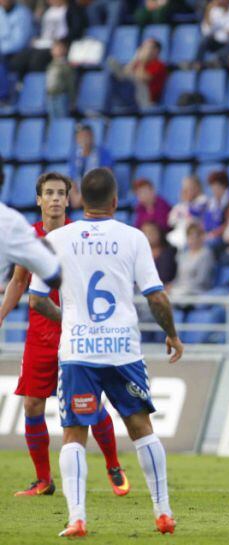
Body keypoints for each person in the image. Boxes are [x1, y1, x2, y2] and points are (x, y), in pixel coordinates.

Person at [27, 167, 183, 537]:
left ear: (79, 200)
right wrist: (173, 335)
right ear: (115, 201)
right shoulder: (132, 237)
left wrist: (68, 319)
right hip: (122, 350)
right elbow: (156, 296)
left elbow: (36, 299)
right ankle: (163, 512)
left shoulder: (56, 238)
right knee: (142, 429)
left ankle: (77, 517)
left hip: (78, 350)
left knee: (73, 434)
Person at [0, 172, 128, 498]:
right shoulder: (28, 237)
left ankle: (113, 464)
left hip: (76, 333)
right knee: (32, 405)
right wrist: (1, 315)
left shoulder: (79, 235)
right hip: (39, 335)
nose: (56, 198)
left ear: (69, 199)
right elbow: (18, 281)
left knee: (87, 405)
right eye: (49, 193)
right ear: (39, 200)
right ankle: (43, 480)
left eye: (61, 193)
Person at [108, 37, 168, 110]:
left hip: (146, 100)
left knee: (133, 83)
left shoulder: (159, 65)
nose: (143, 50)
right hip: (132, 96)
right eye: (143, 47)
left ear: (156, 51)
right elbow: (126, 74)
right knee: (115, 72)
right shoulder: (137, 63)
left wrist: (142, 62)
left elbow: (142, 79)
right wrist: (134, 59)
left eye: (147, 47)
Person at [171, 221, 216, 297]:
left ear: (201, 237)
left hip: (198, 290)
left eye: (195, 237)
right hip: (180, 290)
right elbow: (178, 278)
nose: (193, 241)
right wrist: (172, 285)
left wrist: (180, 288)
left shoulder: (206, 254)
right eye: (190, 238)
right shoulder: (183, 255)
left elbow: (202, 280)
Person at [195, 0, 229, 66]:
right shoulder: (214, 9)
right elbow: (206, 31)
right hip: (217, 40)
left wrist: (220, 30)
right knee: (204, 41)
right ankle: (197, 64)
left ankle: (217, 63)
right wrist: (208, 11)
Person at [45, 38, 74, 118]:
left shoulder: (66, 65)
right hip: (50, 96)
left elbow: (70, 83)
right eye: (54, 48)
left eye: (59, 48)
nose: (56, 50)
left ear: (65, 50)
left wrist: (72, 100)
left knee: (62, 118)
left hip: (61, 96)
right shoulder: (50, 65)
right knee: (53, 119)